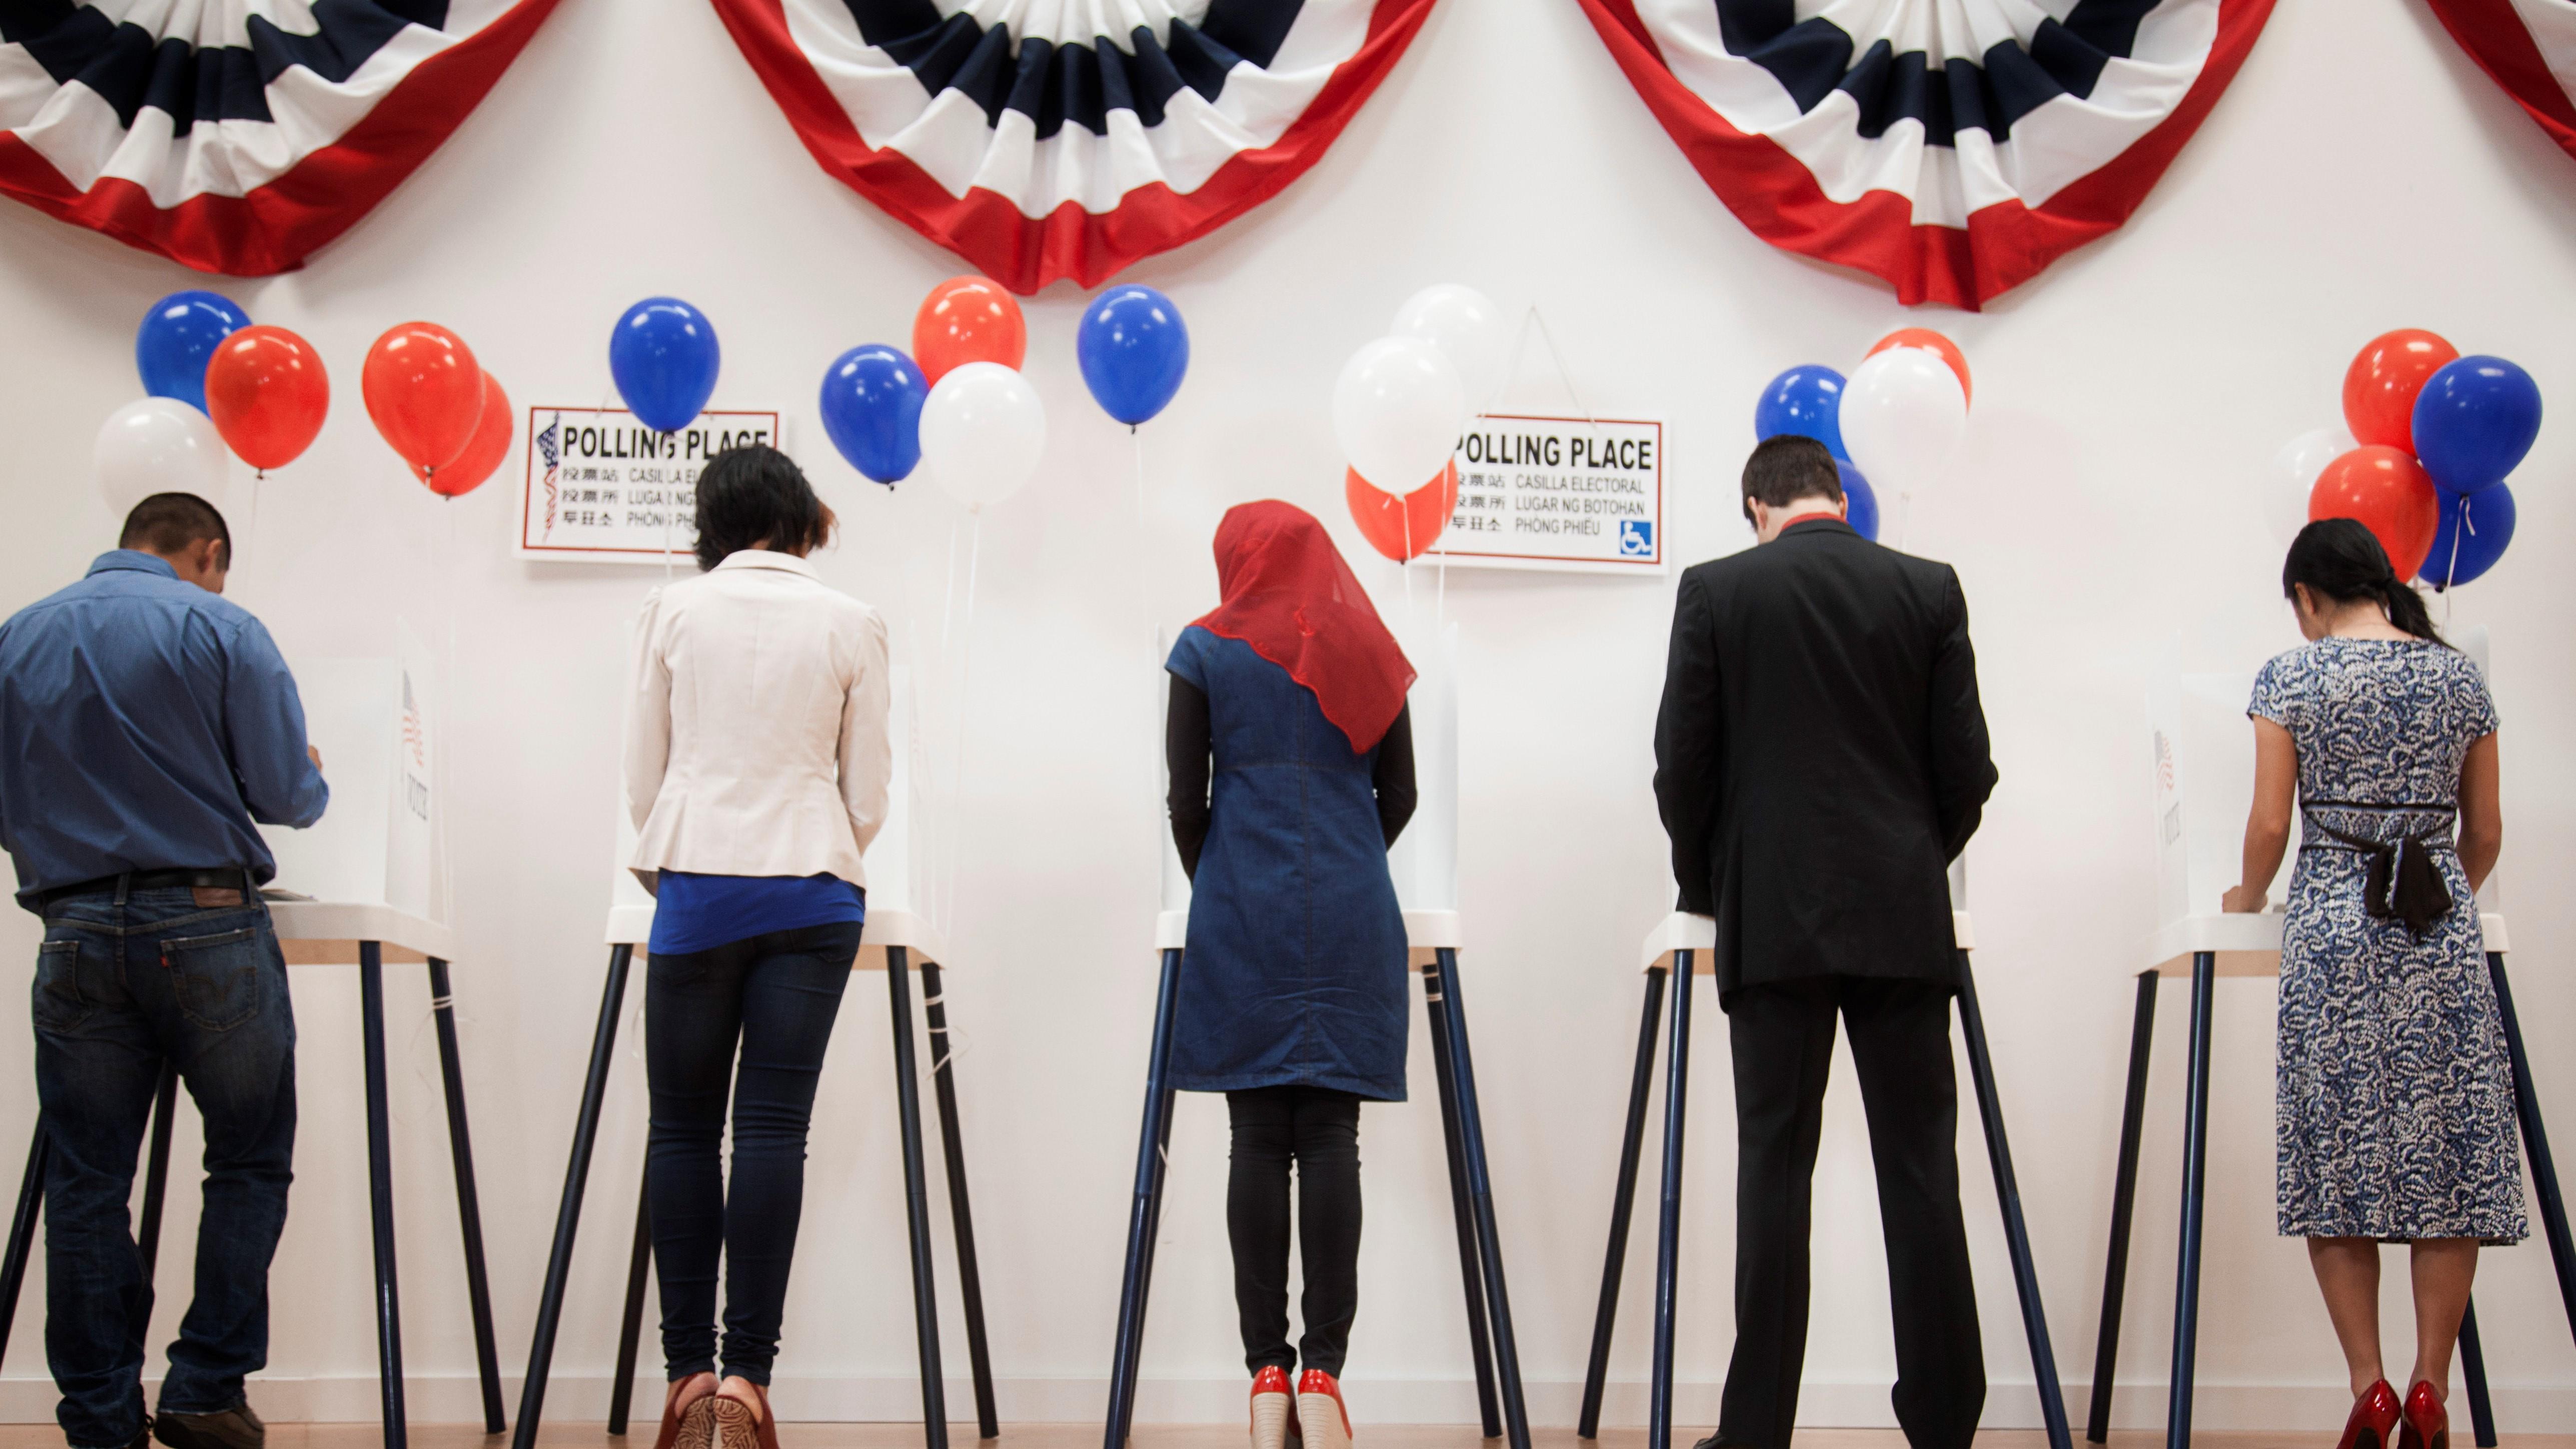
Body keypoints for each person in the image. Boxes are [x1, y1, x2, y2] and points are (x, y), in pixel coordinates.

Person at [1652, 435, 1996, 1449]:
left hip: (1772, 911)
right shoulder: (1928, 587)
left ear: (1755, 504)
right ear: (1840, 497)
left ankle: (1754, 1427)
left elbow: (1683, 768)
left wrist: (1711, 885)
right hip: (1900, 909)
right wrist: (1910, 855)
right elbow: (1967, 769)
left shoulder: (1716, 590)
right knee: (1921, 1168)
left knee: (1773, 1166)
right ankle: (1943, 1420)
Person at [0, 493, 327, 1449]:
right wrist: (307, 771)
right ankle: (202, 1390)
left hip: (73, 933)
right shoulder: (222, 625)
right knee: (249, 1156)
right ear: (207, 552)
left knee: (89, 1177)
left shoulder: (18, 636)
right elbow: (284, 792)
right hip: (211, 924)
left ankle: (100, 1418)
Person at [2222, 517, 2519, 1449]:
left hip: (2331, 931)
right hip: (2435, 928)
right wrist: (2438, 898)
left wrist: (2247, 892)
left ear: (2308, 596)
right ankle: (2433, 1385)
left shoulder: (2290, 675)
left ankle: (2370, 1387)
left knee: (2337, 1146)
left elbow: (2271, 822)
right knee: (2446, 1151)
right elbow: (2484, 831)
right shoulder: (2455, 675)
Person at [622, 446, 892, 1449]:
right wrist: (818, 842)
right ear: (794, 515)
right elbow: (867, 790)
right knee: (774, 1132)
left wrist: (681, 857)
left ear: (712, 522)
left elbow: (643, 772)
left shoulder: (673, 611)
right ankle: (750, 1378)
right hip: (814, 889)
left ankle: (688, 1375)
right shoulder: (852, 619)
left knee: (682, 1132)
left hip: (698, 884)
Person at [1164, 500, 1417, 1449]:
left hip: (1243, 905)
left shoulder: (1202, 648)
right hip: (1353, 906)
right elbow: (1403, 794)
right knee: (1333, 1139)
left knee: (1255, 1141)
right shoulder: (1370, 645)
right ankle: (1325, 1371)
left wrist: (1228, 878)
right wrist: (1348, 854)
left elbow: (1184, 799)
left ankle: (1264, 1369)